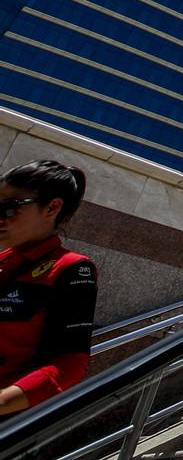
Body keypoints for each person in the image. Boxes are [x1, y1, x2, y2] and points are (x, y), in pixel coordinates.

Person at [0, 160, 96, 416]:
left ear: (52, 207)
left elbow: (70, 363)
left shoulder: (72, 268)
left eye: (10, 208)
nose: (0, 217)